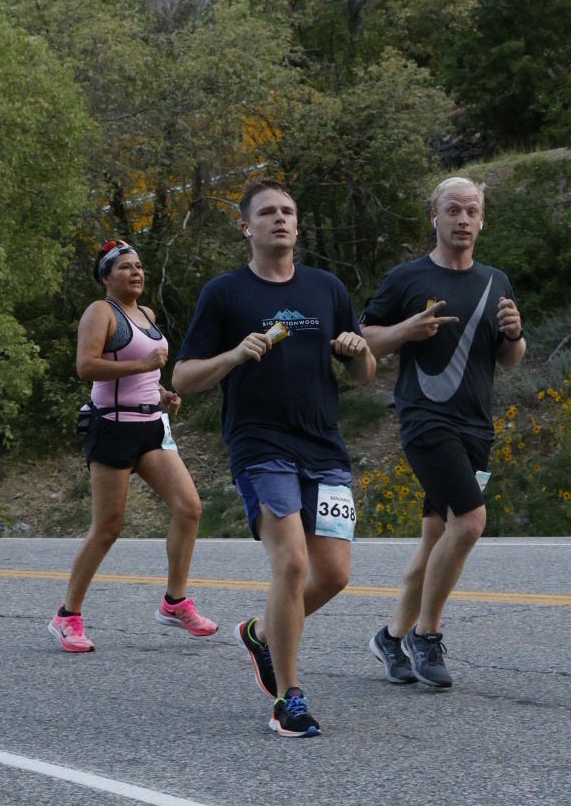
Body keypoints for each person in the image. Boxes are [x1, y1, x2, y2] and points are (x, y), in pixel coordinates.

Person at [173, 179, 374, 739]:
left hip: (323, 446)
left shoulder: (326, 288)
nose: (279, 219)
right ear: (247, 227)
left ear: (297, 224)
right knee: (291, 564)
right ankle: (290, 697)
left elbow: (363, 374)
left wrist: (358, 351)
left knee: (333, 574)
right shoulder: (225, 293)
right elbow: (182, 377)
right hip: (260, 445)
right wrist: (235, 354)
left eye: (287, 211)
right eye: (267, 212)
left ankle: (262, 633)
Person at [360, 176, 524, 688]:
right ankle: (424, 635)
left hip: (477, 427)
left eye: (472, 211)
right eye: (453, 209)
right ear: (434, 216)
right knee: (470, 522)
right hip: (426, 419)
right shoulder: (406, 277)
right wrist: (405, 330)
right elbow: (362, 339)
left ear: (482, 220)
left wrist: (515, 334)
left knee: (436, 537)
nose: (463, 219)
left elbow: (509, 359)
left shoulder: (496, 281)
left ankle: (391, 637)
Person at [48, 240, 217, 654]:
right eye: (125, 267)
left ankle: (174, 602)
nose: (136, 272)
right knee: (107, 527)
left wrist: (162, 395)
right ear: (107, 277)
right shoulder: (101, 312)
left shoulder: (147, 315)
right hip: (112, 427)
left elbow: (145, 376)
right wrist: (141, 365)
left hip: (151, 427)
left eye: (139, 266)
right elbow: (86, 366)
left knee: (189, 508)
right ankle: (66, 616)